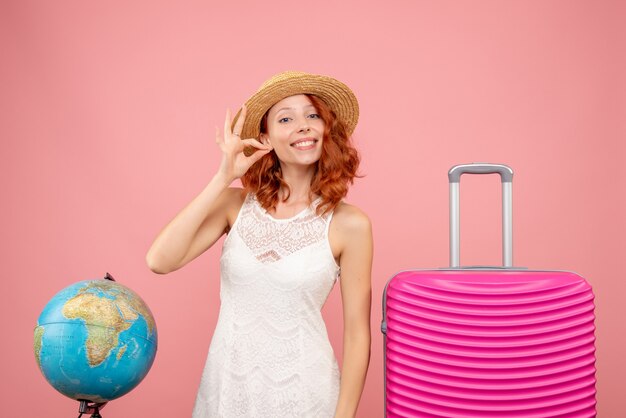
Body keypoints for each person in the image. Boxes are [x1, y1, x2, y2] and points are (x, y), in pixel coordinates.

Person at [146, 71, 372, 418]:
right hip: (227, 390)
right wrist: (224, 176)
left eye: (313, 115)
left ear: (327, 129)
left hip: (305, 396)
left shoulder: (350, 224)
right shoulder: (234, 206)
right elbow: (160, 260)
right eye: (286, 118)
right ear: (264, 137)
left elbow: (357, 334)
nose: (303, 125)